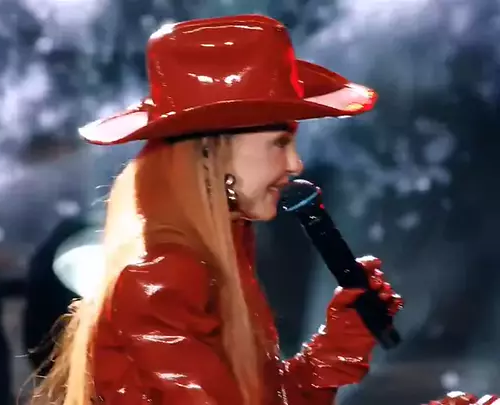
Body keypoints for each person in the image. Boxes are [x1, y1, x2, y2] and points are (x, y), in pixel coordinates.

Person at [28, 14, 492, 405]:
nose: (295, 164)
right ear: (215, 152)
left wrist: (335, 348)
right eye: (279, 143)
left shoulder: (210, 262)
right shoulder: (162, 282)